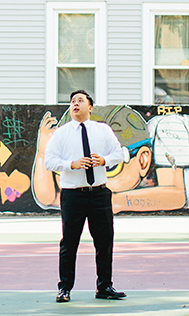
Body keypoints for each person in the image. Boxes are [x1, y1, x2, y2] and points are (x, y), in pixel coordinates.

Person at [41, 90, 128, 302]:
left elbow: (119, 154)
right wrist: (72, 164)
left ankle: (104, 286)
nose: (75, 104)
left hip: (99, 194)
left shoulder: (103, 130)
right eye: (72, 101)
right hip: (73, 195)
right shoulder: (61, 133)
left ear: (90, 107)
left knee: (104, 242)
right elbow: (49, 161)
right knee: (69, 242)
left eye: (80, 100)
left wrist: (104, 161)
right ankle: (64, 288)